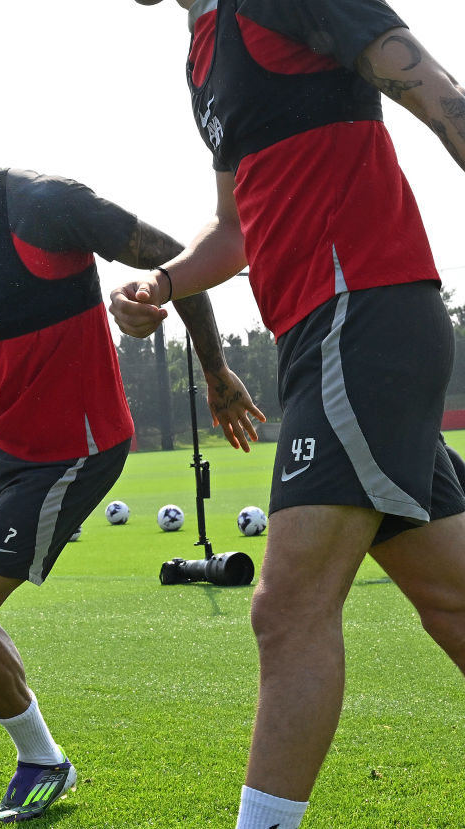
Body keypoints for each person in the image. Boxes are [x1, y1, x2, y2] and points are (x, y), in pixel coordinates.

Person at [0, 80, 264, 823]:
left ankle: (45, 761)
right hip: (0, 441)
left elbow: (173, 255)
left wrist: (214, 369)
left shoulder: (44, 204)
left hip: (77, 446)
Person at [117, 4, 465, 827]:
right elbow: (237, 227)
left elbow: (440, 92)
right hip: (327, 328)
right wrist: (164, 282)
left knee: (286, 606)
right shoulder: (203, 49)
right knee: (452, 596)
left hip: (361, 311)